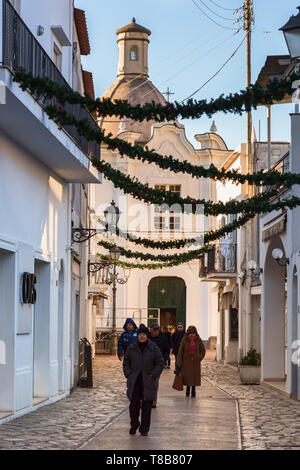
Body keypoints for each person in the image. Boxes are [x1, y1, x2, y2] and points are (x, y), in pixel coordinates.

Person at [123, 325, 164, 436]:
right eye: (140, 334)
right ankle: (134, 424)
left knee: (147, 407)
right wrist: (129, 374)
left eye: (144, 334)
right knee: (134, 406)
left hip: (148, 381)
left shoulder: (153, 348)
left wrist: (153, 374)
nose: (141, 336)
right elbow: (126, 362)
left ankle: (144, 429)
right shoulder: (132, 347)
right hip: (135, 381)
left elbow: (160, 362)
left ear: (147, 336)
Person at [177, 325, 206, 398]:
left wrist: (199, 357)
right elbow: (180, 351)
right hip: (186, 362)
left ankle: (193, 391)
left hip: (195, 362)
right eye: (190, 333)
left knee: (194, 377)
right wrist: (179, 362)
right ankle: (187, 390)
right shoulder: (184, 340)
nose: (192, 334)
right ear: (188, 333)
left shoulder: (198, 340)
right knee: (187, 377)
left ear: (195, 333)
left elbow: (203, 350)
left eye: (193, 333)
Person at [149, 323, 169, 407]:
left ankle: (154, 400)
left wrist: (163, 360)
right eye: (153, 330)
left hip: (158, 364)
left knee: (155, 382)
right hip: (147, 363)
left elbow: (167, 350)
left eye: (156, 330)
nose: (155, 332)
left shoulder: (163, 338)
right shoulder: (148, 338)